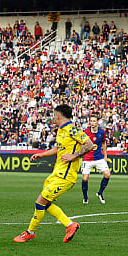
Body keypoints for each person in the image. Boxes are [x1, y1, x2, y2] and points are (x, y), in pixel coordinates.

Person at [13, 103, 93, 243]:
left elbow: (89, 144)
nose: (52, 118)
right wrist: (42, 155)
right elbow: (59, 148)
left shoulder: (72, 130)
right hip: (57, 173)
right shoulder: (62, 131)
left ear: (57, 116)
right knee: (45, 203)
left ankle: (30, 232)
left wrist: (73, 156)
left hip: (66, 176)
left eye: (53, 115)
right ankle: (70, 225)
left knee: (40, 201)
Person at [81, 113, 111, 204]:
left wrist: (105, 156)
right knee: (85, 178)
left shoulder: (102, 132)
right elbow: (82, 144)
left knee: (107, 174)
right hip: (87, 157)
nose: (92, 123)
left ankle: (100, 193)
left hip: (98, 157)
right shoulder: (85, 132)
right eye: (91, 121)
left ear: (97, 122)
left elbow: (103, 143)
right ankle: (85, 197)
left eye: (94, 121)